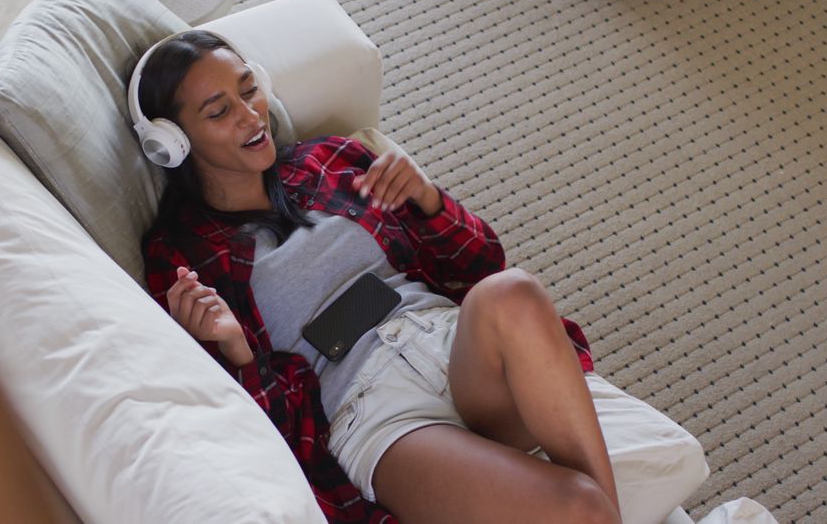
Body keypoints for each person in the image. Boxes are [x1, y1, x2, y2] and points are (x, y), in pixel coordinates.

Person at [138, 30, 621, 524]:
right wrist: (236, 351)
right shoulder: (180, 256)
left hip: (452, 347)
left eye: (248, 89)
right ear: (173, 141)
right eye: (219, 112)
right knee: (580, 507)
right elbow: (245, 432)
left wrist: (430, 201)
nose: (249, 114)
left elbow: (481, 264)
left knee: (512, 289)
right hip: (374, 409)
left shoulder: (329, 160)